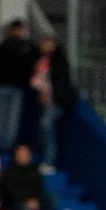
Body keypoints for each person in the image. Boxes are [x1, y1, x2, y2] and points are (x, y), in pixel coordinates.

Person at [0, 19, 37, 151]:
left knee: (13, 121)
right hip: (3, 87)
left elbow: (34, 65)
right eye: (14, 29)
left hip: (18, 88)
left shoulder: (28, 47)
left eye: (19, 29)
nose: (17, 32)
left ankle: (7, 147)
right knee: (1, 119)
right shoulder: (3, 46)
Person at [31, 35, 76, 172]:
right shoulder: (40, 60)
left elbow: (60, 81)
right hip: (44, 101)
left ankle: (49, 161)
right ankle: (43, 157)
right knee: (42, 128)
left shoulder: (59, 59)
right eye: (44, 43)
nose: (46, 46)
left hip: (56, 101)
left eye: (49, 43)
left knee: (46, 125)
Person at [0, 142, 45, 210]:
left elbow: (40, 188)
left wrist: (36, 200)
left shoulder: (34, 169)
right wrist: (26, 201)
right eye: (21, 154)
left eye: (26, 153)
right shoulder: (9, 171)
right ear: (16, 156)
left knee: (52, 200)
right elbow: (11, 191)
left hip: (33, 201)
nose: (24, 156)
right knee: (25, 209)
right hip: (16, 203)